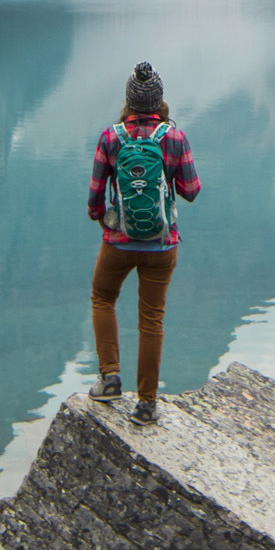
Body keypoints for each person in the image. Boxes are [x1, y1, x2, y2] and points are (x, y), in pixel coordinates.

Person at [85, 60, 200, 424]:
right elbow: (192, 191)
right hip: (162, 245)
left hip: (118, 242)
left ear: (129, 100)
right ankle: (147, 404)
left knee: (103, 298)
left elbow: (94, 199)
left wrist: (104, 217)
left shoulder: (110, 137)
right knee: (151, 319)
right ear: (159, 100)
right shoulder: (174, 138)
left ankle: (109, 378)